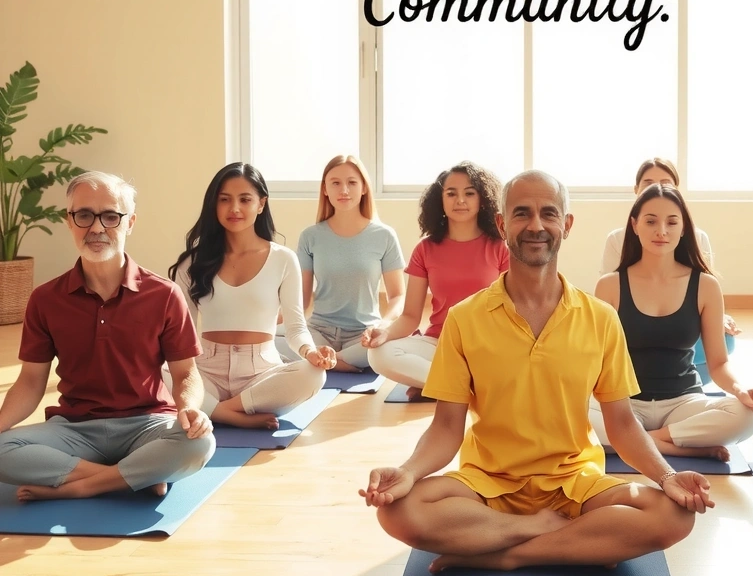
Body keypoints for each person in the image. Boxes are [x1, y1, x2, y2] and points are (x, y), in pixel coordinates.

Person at [359, 170, 713, 573]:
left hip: (575, 482)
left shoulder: (600, 318)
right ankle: (546, 532)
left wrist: (667, 477)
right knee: (398, 511)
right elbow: (445, 428)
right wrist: (406, 473)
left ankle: (509, 554)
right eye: (522, 213)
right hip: (488, 481)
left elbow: (622, 423)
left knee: (674, 514)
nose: (536, 226)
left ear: (566, 224)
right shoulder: (465, 318)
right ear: (502, 224)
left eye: (548, 213)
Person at [0, 172, 215, 501]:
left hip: (147, 424)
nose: (97, 228)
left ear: (129, 222)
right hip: (73, 428)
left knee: (201, 442)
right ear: (69, 221)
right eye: (84, 215)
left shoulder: (164, 294)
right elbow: (30, 383)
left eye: (111, 216)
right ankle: (136, 476)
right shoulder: (45, 299)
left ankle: (82, 486)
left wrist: (188, 409)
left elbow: (186, 373)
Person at [590, 184, 753, 461]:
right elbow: (596, 363)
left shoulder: (705, 285)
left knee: (746, 417)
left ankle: (639, 441)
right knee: (564, 415)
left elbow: (718, 364)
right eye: (651, 221)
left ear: (683, 228)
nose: (662, 231)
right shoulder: (610, 285)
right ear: (634, 225)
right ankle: (673, 445)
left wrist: (740, 390)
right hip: (624, 405)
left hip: (683, 403)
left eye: (672, 222)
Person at [169, 163, 335, 430]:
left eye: (245, 199)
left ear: (261, 204)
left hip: (260, 374)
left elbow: (295, 328)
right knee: (154, 372)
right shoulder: (191, 263)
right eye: (224, 200)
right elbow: (179, 337)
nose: (234, 208)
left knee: (314, 374)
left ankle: (214, 409)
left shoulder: (283, 259)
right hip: (206, 372)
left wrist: (311, 352)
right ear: (214, 205)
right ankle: (227, 414)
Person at [366, 162, 508, 400]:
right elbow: (411, 316)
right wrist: (385, 333)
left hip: (488, 347)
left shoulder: (500, 248)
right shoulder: (425, 249)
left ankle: (440, 385)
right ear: (440, 201)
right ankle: (462, 387)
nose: (460, 200)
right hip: (439, 344)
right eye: (451, 193)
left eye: (469, 193)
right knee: (378, 355)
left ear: (482, 200)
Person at [600, 158, 739, 368]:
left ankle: (685, 380)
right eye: (648, 183)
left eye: (665, 182)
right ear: (636, 189)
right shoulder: (616, 242)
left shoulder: (698, 239)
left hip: (680, 343)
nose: (662, 232)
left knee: (726, 340)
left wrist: (716, 317)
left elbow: (699, 295)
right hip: (630, 336)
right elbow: (607, 308)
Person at [278, 155, 405, 372]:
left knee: (388, 347)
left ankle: (326, 361)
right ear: (325, 189)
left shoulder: (384, 235)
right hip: (320, 331)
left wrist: (383, 326)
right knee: (271, 342)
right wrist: (268, 324)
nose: (343, 190)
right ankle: (338, 362)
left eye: (352, 182)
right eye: (335, 183)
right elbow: (302, 299)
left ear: (364, 188)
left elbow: (398, 296)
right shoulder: (310, 236)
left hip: (363, 335)